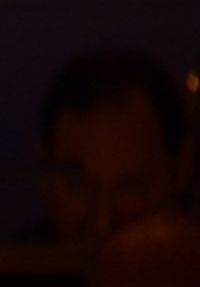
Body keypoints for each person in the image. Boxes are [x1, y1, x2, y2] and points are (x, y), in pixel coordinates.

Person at [37, 50, 194, 246]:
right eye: (80, 187)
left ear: (181, 170)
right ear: (44, 176)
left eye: (132, 188)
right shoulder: (11, 269)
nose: (104, 226)